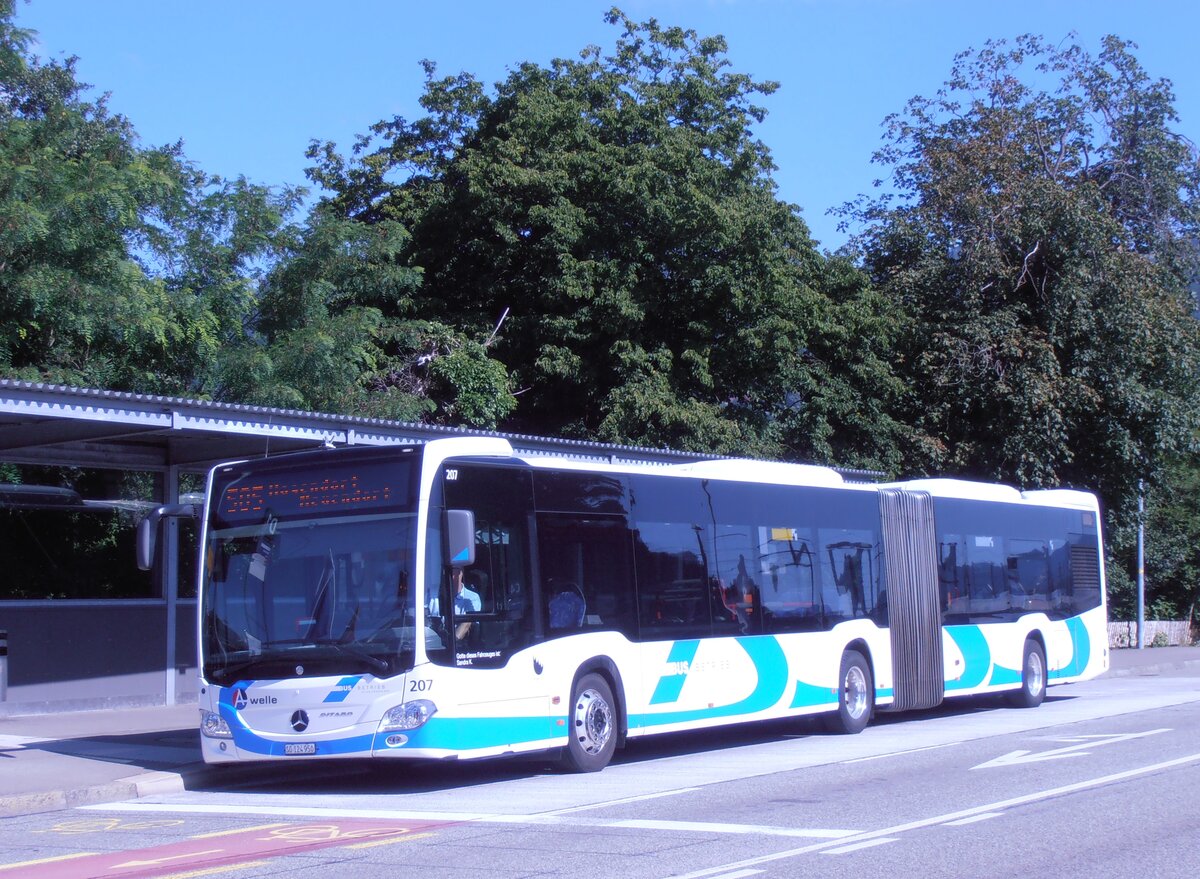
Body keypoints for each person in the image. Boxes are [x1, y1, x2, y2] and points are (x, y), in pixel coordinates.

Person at [429, 566, 481, 640]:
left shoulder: (472, 598)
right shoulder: (433, 595)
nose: (445, 574)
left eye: (451, 570)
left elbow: (466, 624)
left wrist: (451, 642)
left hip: (457, 645)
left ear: (461, 573)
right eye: (443, 571)